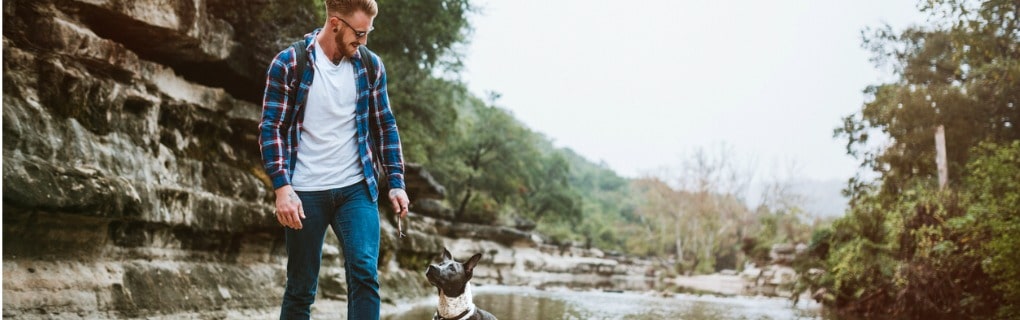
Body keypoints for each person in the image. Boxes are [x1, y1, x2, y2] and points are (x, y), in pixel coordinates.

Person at [258, 0, 409, 319]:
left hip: (356, 188)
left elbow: (385, 125)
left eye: (368, 33)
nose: (364, 41)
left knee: (365, 274)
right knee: (300, 287)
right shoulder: (289, 63)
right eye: (359, 33)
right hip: (304, 192)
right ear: (336, 23)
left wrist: (396, 183)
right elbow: (271, 127)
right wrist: (282, 188)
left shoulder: (370, 66)